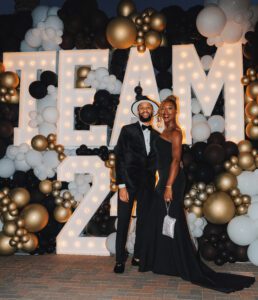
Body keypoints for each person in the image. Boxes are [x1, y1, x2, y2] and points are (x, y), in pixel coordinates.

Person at [139, 95, 255, 293]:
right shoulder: (163, 130)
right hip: (166, 180)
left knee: (173, 221)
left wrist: (168, 186)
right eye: (164, 109)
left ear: (176, 112)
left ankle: (181, 264)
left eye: (170, 109)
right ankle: (165, 263)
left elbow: (176, 161)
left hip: (172, 182)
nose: (166, 112)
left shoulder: (175, 132)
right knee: (161, 220)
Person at [113, 85, 160, 273]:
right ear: (138, 111)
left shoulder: (158, 136)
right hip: (128, 183)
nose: (145, 110)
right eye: (142, 108)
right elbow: (120, 157)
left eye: (148, 108)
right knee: (124, 221)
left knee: (143, 222)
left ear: (152, 112)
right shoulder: (127, 130)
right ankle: (119, 259)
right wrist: (121, 185)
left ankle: (138, 256)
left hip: (147, 185)